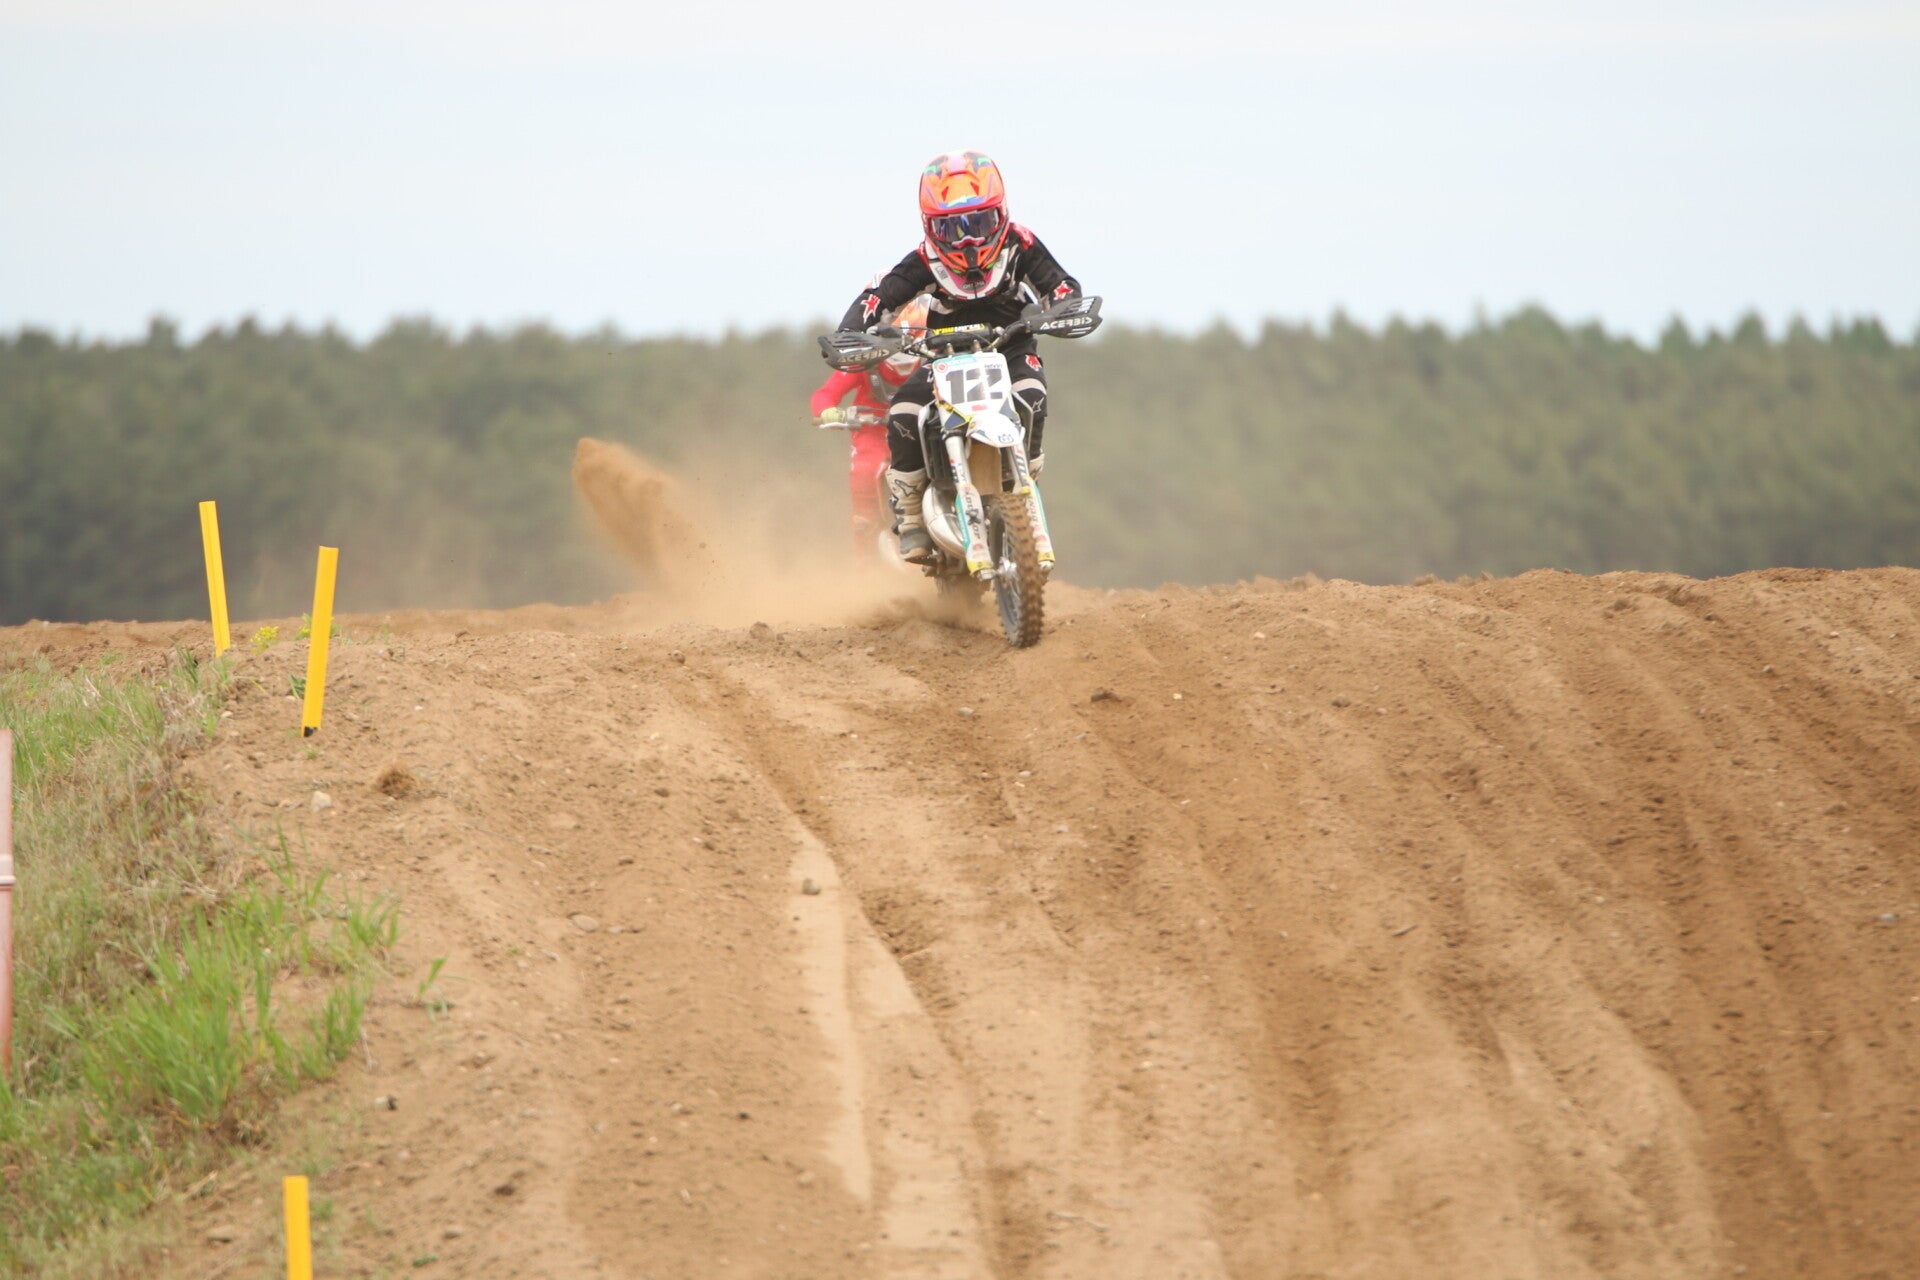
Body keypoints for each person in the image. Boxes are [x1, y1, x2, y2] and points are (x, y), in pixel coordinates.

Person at [832, 150, 1086, 562]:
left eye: (979, 223)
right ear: (930, 226)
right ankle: (910, 515)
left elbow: (1059, 284)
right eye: (951, 228)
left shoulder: (1020, 244)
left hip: (1009, 345)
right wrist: (852, 331)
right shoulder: (923, 261)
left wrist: (1062, 308)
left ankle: (1027, 472)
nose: (967, 241)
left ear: (1000, 213)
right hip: (942, 355)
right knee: (903, 415)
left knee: (1032, 396)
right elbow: (879, 297)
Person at [809, 296, 930, 559]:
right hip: (873, 433)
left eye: (910, 341)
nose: (902, 351)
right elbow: (826, 393)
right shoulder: (864, 361)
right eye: (894, 341)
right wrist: (828, 412)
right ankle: (866, 562)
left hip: (920, 434)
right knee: (865, 473)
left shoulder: (932, 360)